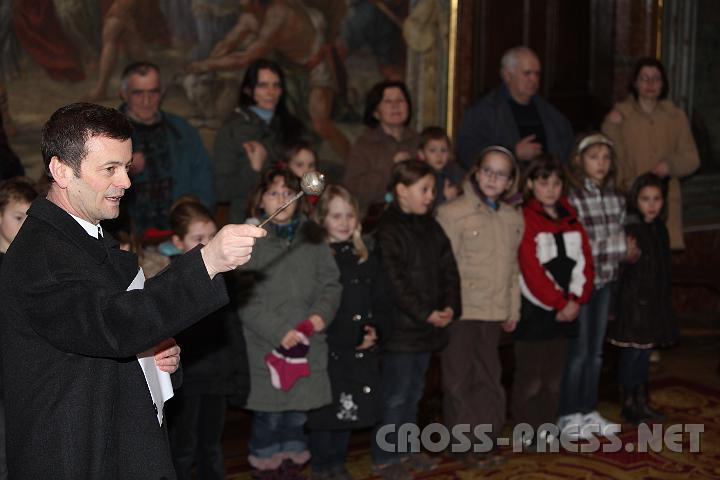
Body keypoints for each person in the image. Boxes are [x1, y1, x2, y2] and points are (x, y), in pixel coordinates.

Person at [0, 102, 265, 479]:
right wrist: (206, 262)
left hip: (116, 443)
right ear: (61, 170)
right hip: (76, 458)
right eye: (109, 169)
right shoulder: (41, 254)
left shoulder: (85, 238)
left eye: (125, 167)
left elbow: (119, 327)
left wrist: (157, 353)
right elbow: (111, 324)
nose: (125, 182)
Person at [239, 167, 341, 479]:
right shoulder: (250, 242)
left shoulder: (313, 236)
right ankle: (267, 466)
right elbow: (245, 297)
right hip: (266, 345)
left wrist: (321, 313)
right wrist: (278, 332)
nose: (282, 200)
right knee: (270, 417)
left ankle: (292, 466)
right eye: (273, 193)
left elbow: (331, 283)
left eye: (287, 193)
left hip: (307, 341)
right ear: (259, 201)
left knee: (298, 414)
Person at [372, 160, 461, 480]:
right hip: (401, 329)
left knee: (414, 393)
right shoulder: (388, 230)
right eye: (423, 189)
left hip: (426, 327)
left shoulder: (432, 227)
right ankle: (385, 456)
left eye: (432, 190)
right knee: (395, 395)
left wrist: (450, 305)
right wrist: (426, 312)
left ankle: (407, 449)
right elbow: (395, 283)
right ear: (401, 191)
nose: (430, 196)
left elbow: (449, 269)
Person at [436, 146, 522, 468]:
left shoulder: (513, 218)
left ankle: (485, 439)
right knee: (459, 378)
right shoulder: (453, 213)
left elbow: (513, 270)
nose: (492, 178)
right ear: (475, 171)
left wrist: (513, 311)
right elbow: (444, 268)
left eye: (501, 174)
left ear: (509, 182)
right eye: (487, 170)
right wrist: (445, 307)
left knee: (489, 377)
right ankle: (461, 443)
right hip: (461, 311)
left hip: (493, 310)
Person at [306, 185, 392, 480]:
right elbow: (317, 306)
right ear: (322, 221)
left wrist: (376, 329)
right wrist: (348, 336)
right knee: (325, 412)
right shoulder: (316, 259)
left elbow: (381, 297)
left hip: (360, 347)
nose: (344, 222)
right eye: (336, 216)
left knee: (350, 408)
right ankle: (321, 465)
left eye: (349, 215)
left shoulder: (366, 256)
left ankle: (337, 463)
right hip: (328, 347)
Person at [511, 156, 593, 450]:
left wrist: (575, 299)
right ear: (531, 184)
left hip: (567, 309)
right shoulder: (525, 217)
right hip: (536, 309)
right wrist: (558, 302)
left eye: (556, 183)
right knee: (531, 376)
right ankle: (525, 431)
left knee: (553, 377)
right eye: (544, 183)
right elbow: (530, 268)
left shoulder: (570, 217)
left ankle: (546, 429)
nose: (550, 189)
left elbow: (584, 260)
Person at [165, 198, 246, 480]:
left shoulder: (226, 277)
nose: (208, 244)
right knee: (183, 447)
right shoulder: (170, 282)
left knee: (212, 445)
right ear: (177, 242)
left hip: (218, 373)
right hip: (186, 380)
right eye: (198, 239)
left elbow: (232, 327)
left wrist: (238, 373)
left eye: (212, 236)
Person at [557, 133, 630, 440]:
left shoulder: (616, 196)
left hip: (606, 282)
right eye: (593, 157)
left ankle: (588, 409)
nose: (600, 164)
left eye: (605, 158)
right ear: (578, 160)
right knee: (578, 351)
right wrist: (619, 247)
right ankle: (567, 412)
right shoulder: (572, 198)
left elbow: (620, 239)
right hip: (581, 284)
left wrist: (619, 248)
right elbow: (581, 244)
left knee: (596, 351)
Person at [602, 57, 700, 249]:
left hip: (664, 204)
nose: (650, 83)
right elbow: (614, 158)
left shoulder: (676, 117)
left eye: (656, 78)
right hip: (631, 200)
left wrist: (670, 165)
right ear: (635, 83)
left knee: (661, 260)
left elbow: (692, 159)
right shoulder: (620, 116)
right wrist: (611, 127)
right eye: (644, 78)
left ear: (663, 84)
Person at [118, 61, 215, 236]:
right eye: (138, 93)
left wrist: (191, 225)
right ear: (124, 94)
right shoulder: (108, 133)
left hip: (179, 235)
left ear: (162, 93)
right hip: (127, 238)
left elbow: (204, 182)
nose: (146, 101)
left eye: (153, 92)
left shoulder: (183, 131)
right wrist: (121, 170)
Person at [608, 173, 675, 425]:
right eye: (646, 199)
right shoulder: (630, 228)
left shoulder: (659, 228)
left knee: (645, 355)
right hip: (633, 302)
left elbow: (663, 268)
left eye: (657, 199)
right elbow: (622, 269)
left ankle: (642, 400)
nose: (652, 204)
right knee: (632, 355)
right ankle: (628, 403)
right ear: (636, 199)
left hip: (653, 302)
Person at [214, 58, 304, 224]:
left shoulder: (293, 127)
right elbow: (222, 191)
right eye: (263, 85)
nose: (271, 92)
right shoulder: (232, 130)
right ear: (249, 90)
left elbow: (304, 176)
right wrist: (253, 169)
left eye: (276, 85)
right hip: (248, 221)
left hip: (291, 218)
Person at [457, 46, 574, 170]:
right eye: (527, 73)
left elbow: (567, 150)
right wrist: (513, 153)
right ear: (507, 75)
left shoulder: (551, 114)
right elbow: (468, 152)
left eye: (537, 74)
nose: (533, 79)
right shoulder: (483, 112)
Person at [0, 176, 37, 480]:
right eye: (17, 217)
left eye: (30, 218)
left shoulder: (31, 264)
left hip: (23, 379)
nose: (24, 226)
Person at [343, 81, 419, 217]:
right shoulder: (364, 145)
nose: (395, 106)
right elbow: (353, 192)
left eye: (400, 100)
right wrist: (392, 169)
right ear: (376, 113)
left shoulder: (420, 141)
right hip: (375, 222)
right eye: (388, 101)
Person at [417, 126, 464, 207]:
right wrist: (445, 199)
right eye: (432, 150)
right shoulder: (419, 175)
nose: (439, 156)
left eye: (443, 150)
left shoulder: (455, 172)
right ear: (421, 154)